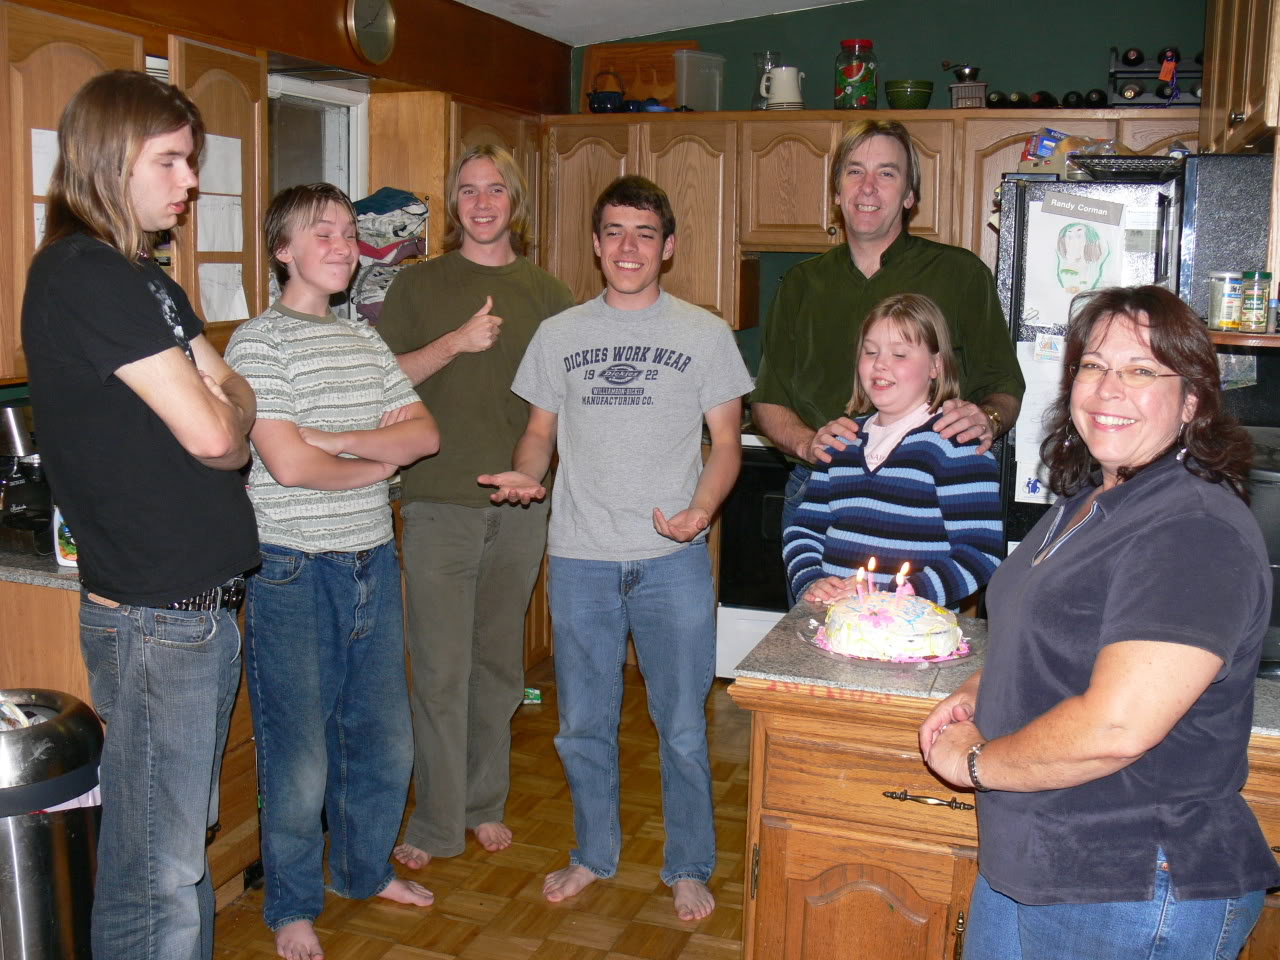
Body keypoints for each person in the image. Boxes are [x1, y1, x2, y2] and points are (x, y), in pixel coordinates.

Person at [919, 285, 1280, 958]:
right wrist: (980, 689)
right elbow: (1056, 634)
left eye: (1142, 370)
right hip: (1033, 859)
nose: (1109, 388)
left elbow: (1116, 728)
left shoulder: (1193, 528)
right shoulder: (1088, 502)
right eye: (1093, 365)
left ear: (1192, 400)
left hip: (1131, 882)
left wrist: (974, 763)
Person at [21, 70, 260, 960]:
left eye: (192, 160)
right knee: (155, 871)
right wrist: (223, 414)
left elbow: (236, 389)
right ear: (109, 159)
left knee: (174, 857)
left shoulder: (142, 276)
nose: (190, 180)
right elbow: (220, 431)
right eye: (171, 160)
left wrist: (223, 408)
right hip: (159, 620)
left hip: (190, 616)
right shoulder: (85, 273)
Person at [479, 175, 753, 921]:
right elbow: (539, 433)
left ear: (668, 247)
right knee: (582, 727)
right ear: (596, 245)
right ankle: (593, 853)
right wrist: (526, 473)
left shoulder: (704, 334)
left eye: (644, 234)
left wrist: (701, 511)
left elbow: (727, 444)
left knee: (683, 728)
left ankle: (688, 863)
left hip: (673, 562)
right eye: (613, 232)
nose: (628, 247)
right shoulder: (559, 335)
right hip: (580, 560)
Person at [225, 183, 439, 960]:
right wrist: (372, 459)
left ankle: (363, 870)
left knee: (383, 742)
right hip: (291, 572)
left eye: (349, 232)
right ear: (283, 250)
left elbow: (424, 435)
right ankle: (291, 907)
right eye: (324, 232)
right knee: (300, 755)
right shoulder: (256, 344)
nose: (344, 245)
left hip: (372, 560)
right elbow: (287, 465)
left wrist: (333, 441)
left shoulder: (363, 339)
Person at [377, 144, 575, 867]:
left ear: (514, 201)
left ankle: (483, 802)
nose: (482, 203)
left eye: (495, 190)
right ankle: (435, 820)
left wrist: (539, 475)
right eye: (468, 190)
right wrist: (455, 343)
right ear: (453, 203)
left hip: (521, 507)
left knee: (497, 669)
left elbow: (564, 405)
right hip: (436, 502)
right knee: (438, 670)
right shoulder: (417, 285)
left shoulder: (549, 295)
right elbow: (383, 379)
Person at [750, 119, 1024, 599]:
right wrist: (811, 443)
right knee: (820, 635)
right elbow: (768, 402)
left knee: (911, 634)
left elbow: (1005, 385)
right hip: (823, 492)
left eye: (887, 173)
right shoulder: (801, 284)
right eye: (855, 171)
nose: (868, 187)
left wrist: (988, 418)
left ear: (910, 195)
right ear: (837, 191)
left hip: (928, 498)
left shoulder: (960, 274)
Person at [784, 293, 1001, 608]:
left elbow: (980, 555)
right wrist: (811, 581)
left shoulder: (957, 444)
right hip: (834, 623)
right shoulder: (841, 441)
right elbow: (803, 531)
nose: (880, 364)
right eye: (870, 351)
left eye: (899, 354)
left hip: (914, 630)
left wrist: (891, 594)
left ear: (936, 366)